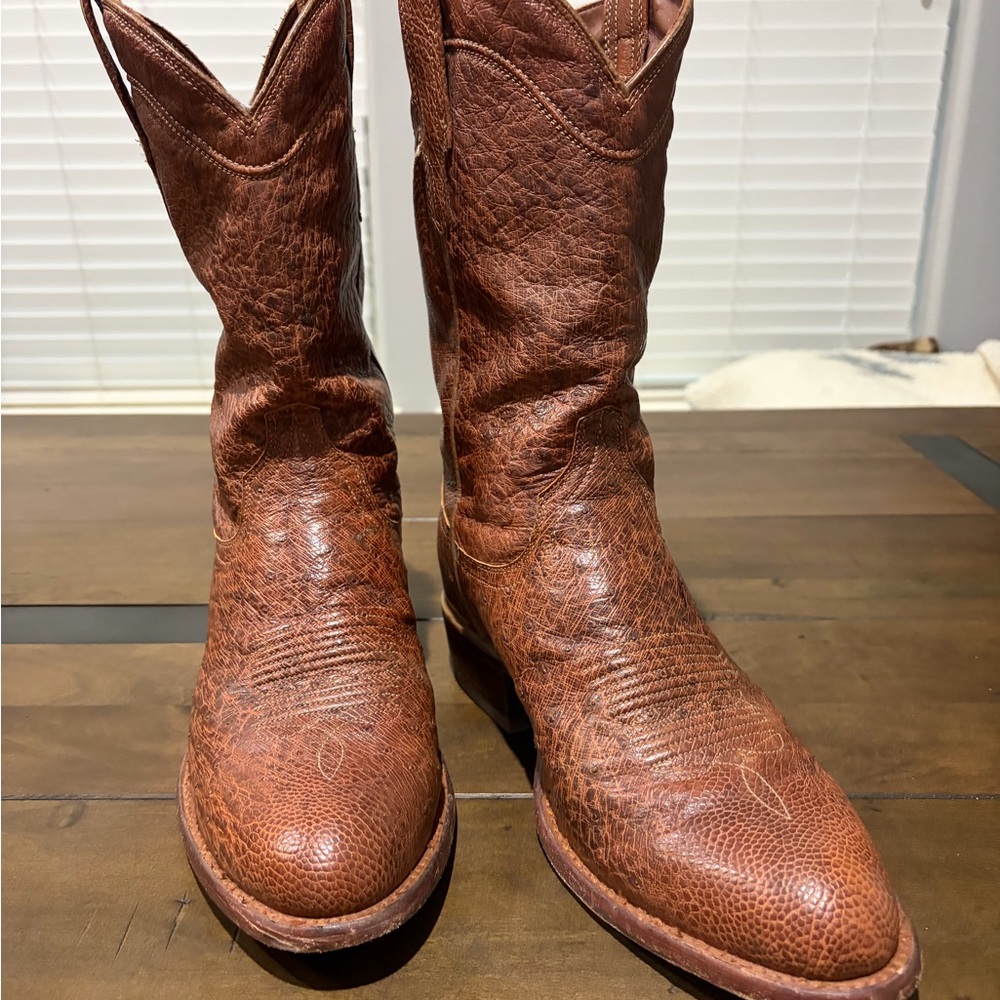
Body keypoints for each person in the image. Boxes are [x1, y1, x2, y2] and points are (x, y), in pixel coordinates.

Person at [81, 0, 920, 996]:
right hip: (308, 537)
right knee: (294, 394)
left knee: (568, 400)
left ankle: (507, 549)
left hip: (563, 512)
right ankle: (364, 520)